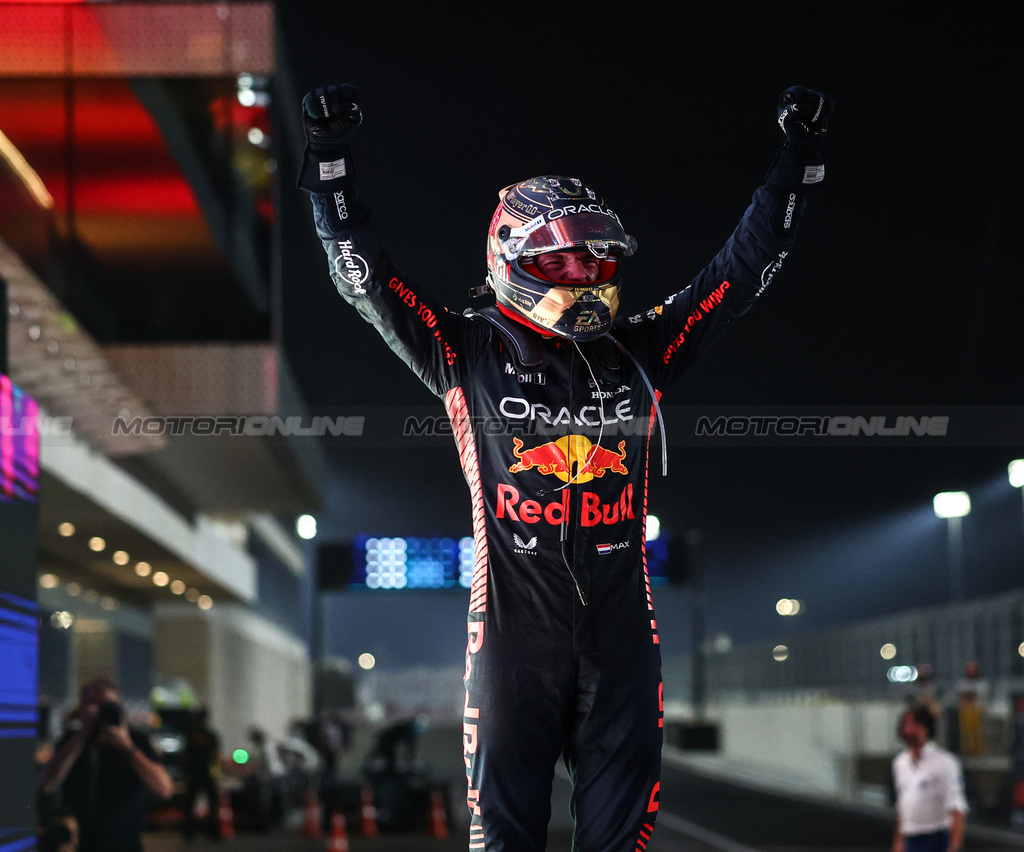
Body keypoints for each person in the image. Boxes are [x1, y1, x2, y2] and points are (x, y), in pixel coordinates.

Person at [298, 83, 833, 851]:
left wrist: (798, 161)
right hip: (514, 643)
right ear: (514, 256)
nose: (586, 271)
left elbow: (739, 275)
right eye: (566, 257)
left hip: (623, 641)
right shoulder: (465, 353)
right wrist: (331, 161)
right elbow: (364, 279)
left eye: (595, 256)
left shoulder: (640, 353)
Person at [38, 677, 173, 852]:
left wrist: (127, 747)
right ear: (81, 708)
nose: (100, 713)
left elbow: (164, 789)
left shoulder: (136, 740)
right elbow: (47, 784)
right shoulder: (71, 741)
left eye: (106, 706)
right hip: (81, 844)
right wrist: (82, 735)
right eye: (92, 704)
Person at [892, 705, 967, 852]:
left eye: (914, 724)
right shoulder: (900, 763)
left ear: (926, 728)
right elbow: (903, 806)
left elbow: (957, 807)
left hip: (936, 835)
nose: (909, 729)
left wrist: (954, 844)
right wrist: (898, 841)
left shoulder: (944, 762)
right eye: (905, 724)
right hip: (911, 836)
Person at [181, 708, 222, 842]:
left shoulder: (190, 735)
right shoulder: (211, 736)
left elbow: (185, 757)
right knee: (212, 804)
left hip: (193, 774)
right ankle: (212, 832)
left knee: (189, 804)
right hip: (207, 774)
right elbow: (216, 757)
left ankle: (189, 833)